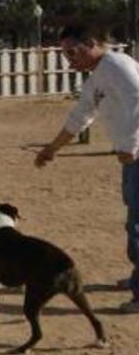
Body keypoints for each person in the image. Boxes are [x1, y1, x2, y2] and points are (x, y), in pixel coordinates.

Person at [34, 23, 139, 313]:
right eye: (65, 55)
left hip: (136, 153)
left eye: (72, 52)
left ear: (91, 42)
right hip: (133, 158)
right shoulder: (97, 78)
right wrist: (52, 149)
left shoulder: (118, 65)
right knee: (134, 218)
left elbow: (137, 101)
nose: (69, 60)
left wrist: (130, 144)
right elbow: (80, 116)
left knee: (138, 224)